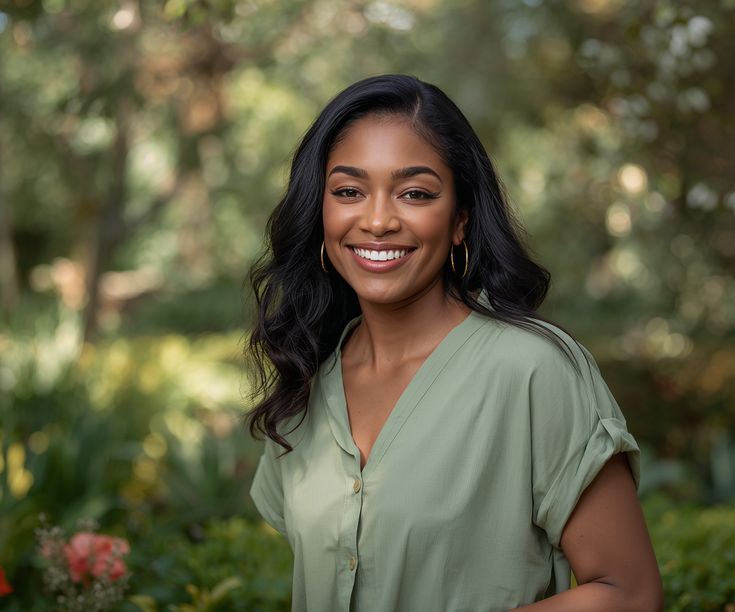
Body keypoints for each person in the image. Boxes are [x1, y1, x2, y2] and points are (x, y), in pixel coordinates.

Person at [246, 74, 662, 611]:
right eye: (348, 191)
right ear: (320, 211)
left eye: (414, 193)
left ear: (461, 219)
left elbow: (631, 594)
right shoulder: (304, 380)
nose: (376, 220)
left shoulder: (534, 372)